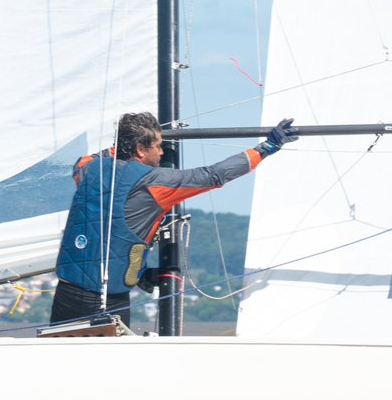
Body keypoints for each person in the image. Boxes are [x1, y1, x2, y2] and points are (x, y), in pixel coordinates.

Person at [51, 111, 298, 326]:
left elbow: (91, 159)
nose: (161, 152)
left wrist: (123, 144)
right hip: (105, 300)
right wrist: (266, 148)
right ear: (139, 149)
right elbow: (213, 175)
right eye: (157, 146)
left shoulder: (86, 168)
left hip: (66, 292)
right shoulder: (155, 181)